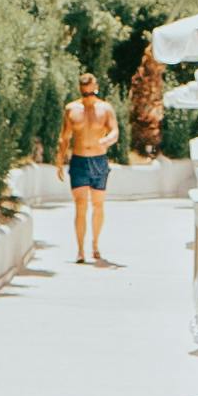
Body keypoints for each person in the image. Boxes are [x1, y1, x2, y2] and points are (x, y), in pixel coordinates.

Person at [59, 75, 120, 266]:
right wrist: (59, 160)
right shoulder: (71, 109)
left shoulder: (105, 109)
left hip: (99, 160)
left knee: (98, 205)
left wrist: (107, 140)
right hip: (79, 161)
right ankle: (80, 250)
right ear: (80, 89)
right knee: (80, 205)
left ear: (96, 88)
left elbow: (115, 131)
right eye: (85, 92)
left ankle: (95, 244)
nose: (88, 96)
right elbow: (64, 137)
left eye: (91, 91)